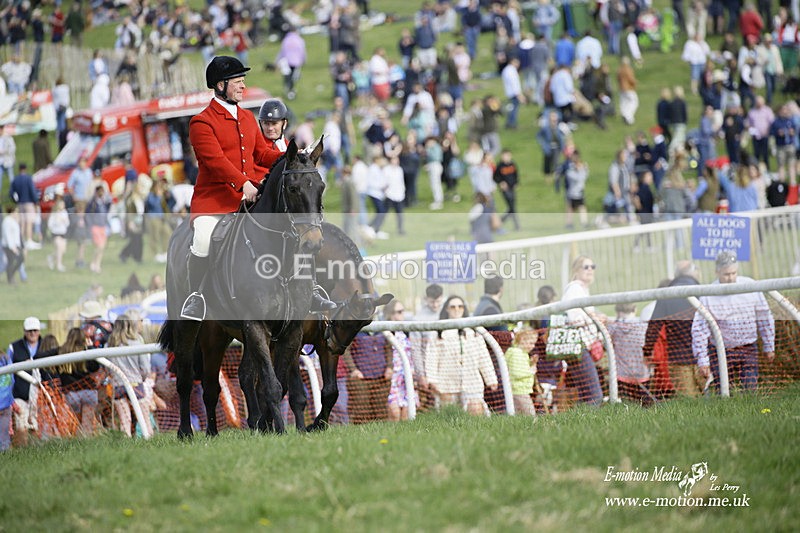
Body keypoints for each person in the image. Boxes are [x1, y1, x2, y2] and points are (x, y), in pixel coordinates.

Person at [181, 56, 284, 321]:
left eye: (243, 81)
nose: (243, 87)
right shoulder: (201, 122)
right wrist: (243, 184)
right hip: (214, 202)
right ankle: (197, 297)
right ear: (220, 85)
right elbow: (216, 162)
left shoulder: (248, 117)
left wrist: (293, 156)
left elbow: (261, 154)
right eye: (238, 82)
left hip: (248, 201)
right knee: (203, 238)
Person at [691, 251, 775, 392]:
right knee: (723, 390)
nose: (730, 278)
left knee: (750, 389)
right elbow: (700, 329)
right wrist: (703, 360)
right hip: (721, 351)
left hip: (748, 348)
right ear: (717, 272)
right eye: (726, 274)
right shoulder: (708, 295)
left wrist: (769, 345)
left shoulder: (750, 286)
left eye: (733, 273)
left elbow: (764, 317)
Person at [427, 295, 499, 415]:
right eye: (453, 306)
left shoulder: (474, 330)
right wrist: (432, 380)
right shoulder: (438, 332)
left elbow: (483, 356)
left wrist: (491, 379)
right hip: (447, 382)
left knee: (476, 411)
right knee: (449, 415)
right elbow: (432, 357)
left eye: (460, 306)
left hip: (472, 381)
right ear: (446, 309)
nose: (457, 309)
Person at [643, 261, 702, 398]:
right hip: (705, 358)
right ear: (694, 274)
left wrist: (646, 351)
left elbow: (653, 327)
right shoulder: (703, 292)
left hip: (679, 359)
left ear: (676, 275)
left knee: (690, 403)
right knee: (713, 399)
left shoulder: (666, 294)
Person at [561, 256, 605, 405]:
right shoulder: (575, 288)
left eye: (593, 266)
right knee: (594, 393)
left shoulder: (583, 290)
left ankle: (583, 423)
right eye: (586, 267)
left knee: (586, 392)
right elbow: (574, 316)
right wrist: (594, 318)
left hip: (581, 346)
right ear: (576, 270)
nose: (590, 270)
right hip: (578, 345)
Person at [107, 313, 155, 437]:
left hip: (118, 385)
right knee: (145, 419)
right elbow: (145, 367)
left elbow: (106, 368)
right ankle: (150, 441)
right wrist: (142, 378)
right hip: (135, 383)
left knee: (125, 421)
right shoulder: (137, 342)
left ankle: (125, 444)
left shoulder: (109, 344)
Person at [49, 328, 100, 435]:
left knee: (74, 424)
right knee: (87, 425)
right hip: (88, 391)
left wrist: (57, 349)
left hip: (71, 394)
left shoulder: (62, 352)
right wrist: (90, 347)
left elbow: (38, 356)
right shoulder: (86, 351)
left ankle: (76, 443)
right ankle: (86, 445)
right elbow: (95, 367)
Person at [7, 317, 46, 446]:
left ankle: (36, 449)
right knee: (21, 422)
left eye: (35, 330)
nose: (32, 333)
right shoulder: (14, 347)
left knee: (37, 424)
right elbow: (8, 371)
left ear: (39, 331)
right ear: (24, 331)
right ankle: (22, 449)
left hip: (41, 394)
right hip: (20, 393)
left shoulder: (45, 345)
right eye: (29, 330)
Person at [343, 332, 393, 424]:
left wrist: (389, 367)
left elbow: (388, 349)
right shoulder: (355, 330)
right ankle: (360, 435)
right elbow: (346, 350)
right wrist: (353, 370)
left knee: (381, 410)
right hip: (360, 378)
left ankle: (382, 435)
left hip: (382, 377)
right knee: (361, 410)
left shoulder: (383, 330)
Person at [607, 303, 650, 404]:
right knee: (644, 404)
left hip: (621, 374)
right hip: (642, 372)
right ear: (634, 309)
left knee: (625, 403)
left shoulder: (614, 326)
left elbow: (606, 344)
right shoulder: (643, 326)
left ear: (617, 311)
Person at [384, 300, 417, 421]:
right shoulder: (384, 332)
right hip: (393, 378)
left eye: (402, 311)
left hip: (407, 377)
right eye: (398, 312)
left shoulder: (406, 331)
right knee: (394, 412)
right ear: (390, 314)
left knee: (407, 413)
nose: (401, 315)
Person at [503, 326, 537, 416]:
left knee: (520, 415)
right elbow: (516, 373)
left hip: (520, 389)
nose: (533, 346)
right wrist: (531, 371)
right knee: (530, 415)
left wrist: (531, 363)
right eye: (531, 343)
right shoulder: (516, 353)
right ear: (522, 339)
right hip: (519, 390)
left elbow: (521, 367)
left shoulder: (522, 353)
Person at [9, 163, 39, 249]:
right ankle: (29, 240)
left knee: (21, 223)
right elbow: (33, 191)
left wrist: (15, 201)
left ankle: (21, 240)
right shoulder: (28, 178)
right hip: (29, 202)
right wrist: (36, 201)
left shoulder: (15, 179)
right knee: (29, 222)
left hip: (20, 203)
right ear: (25, 169)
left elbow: (11, 193)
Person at [85, 185, 111, 274]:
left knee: (102, 247)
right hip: (95, 226)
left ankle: (97, 264)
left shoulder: (103, 202)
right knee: (99, 246)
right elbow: (88, 215)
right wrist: (90, 226)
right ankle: (93, 262)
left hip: (103, 226)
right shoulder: (93, 203)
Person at [493, 149, 520, 231]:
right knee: (512, 207)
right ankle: (517, 226)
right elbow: (495, 177)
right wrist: (501, 182)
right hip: (505, 189)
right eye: (504, 156)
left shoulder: (512, 164)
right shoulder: (500, 166)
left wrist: (516, 183)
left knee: (512, 207)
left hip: (512, 188)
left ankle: (501, 220)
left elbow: (516, 174)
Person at [1, 205, 24, 285]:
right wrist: (12, 247)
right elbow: (8, 235)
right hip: (9, 246)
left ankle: (11, 276)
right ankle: (10, 278)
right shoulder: (7, 221)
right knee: (11, 261)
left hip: (15, 244)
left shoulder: (13, 220)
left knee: (20, 259)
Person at [0, 348, 13, 451]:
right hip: (6, 403)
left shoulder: (6, 359)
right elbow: (12, 381)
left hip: (5, 404)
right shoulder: (6, 359)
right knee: (4, 437)